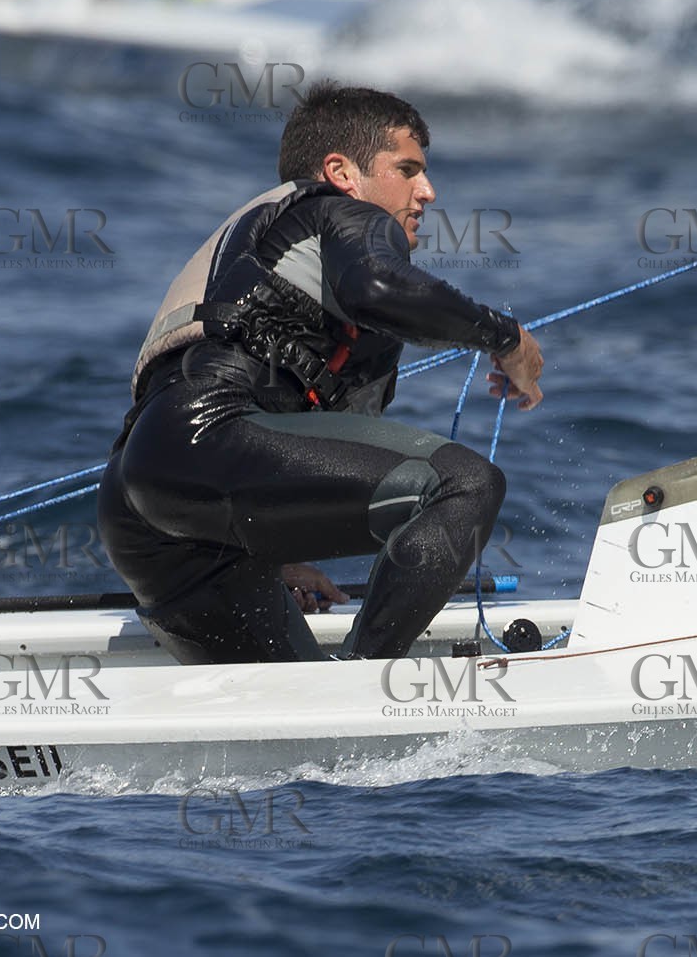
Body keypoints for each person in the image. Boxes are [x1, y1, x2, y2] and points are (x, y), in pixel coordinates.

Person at [96, 82, 544, 664]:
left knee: (284, 705)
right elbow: (379, 288)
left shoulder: (288, 259)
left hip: (143, 510)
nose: (427, 192)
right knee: (464, 486)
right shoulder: (341, 215)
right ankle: (367, 690)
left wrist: (281, 547)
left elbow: (312, 441)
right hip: (206, 440)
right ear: (341, 171)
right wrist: (503, 336)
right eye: (406, 170)